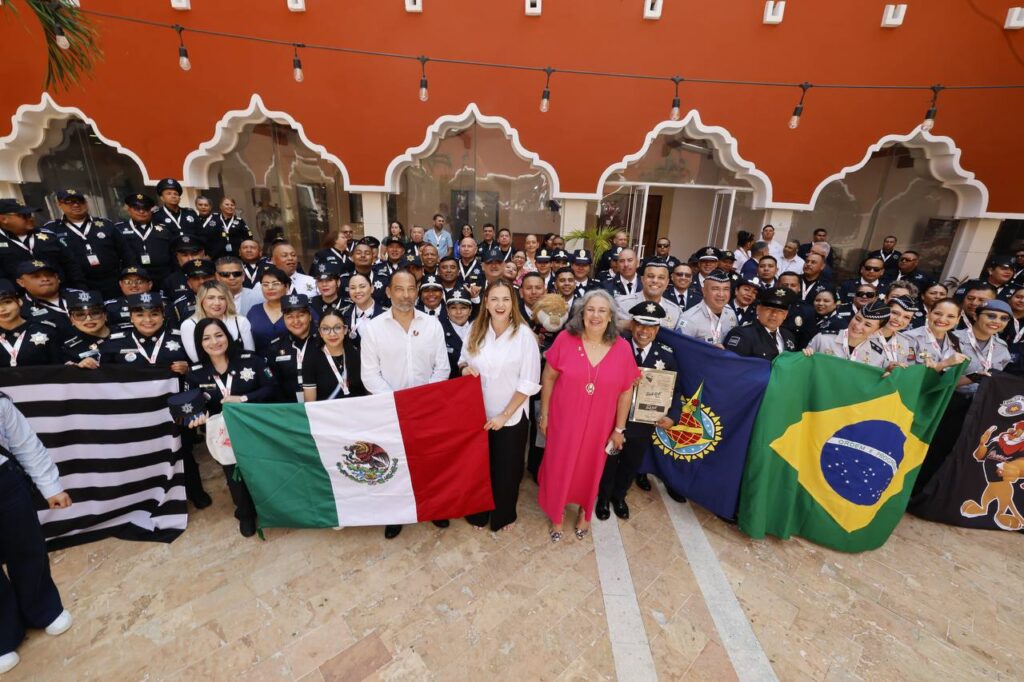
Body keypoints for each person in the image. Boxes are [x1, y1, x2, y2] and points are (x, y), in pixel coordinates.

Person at [537, 289, 640, 542]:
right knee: (560, 466)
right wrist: (545, 414)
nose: (595, 315)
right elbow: (549, 377)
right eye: (590, 310)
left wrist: (619, 429)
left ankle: (585, 512)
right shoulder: (564, 339)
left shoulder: (623, 348)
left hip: (600, 425)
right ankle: (557, 514)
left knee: (591, 468)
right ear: (582, 314)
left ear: (610, 317)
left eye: (602, 310)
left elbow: (626, 391)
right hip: (564, 421)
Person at [359, 270, 451, 538]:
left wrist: (422, 401)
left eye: (411, 288)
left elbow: (441, 368)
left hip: (426, 409)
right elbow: (369, 374)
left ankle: (434, 508)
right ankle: (395, 514)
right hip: (390, 410)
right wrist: (397, 403)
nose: (406, 295)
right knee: (393, 462)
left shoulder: (432, 325)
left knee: (429, 461)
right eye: (399, 289)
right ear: (388, 292)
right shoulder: (374, 328)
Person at [0, 394, 74, 675]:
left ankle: (42, 607)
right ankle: (3, 634)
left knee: (27, 548)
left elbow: (25, 443)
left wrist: (50, 486)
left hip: (5, 483)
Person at [459, 280, 541, 532]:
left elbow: (529, 382)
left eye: (506, 299)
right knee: (478, 468)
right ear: (485, 302)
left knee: (506, 470)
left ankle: (503, 515)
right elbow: (462, 361)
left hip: (511, 417)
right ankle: (478, 514)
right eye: (494, 299)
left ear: (513, 303)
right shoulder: (475, 329)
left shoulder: (524, 336)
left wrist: (504, 416)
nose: (500, 305)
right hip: (477, 414)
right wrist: (465, 369)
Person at [184, 318, 278, 537]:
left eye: (219, 335)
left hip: (255, 428)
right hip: (223, 433)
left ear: (228, 336)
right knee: (233, 474)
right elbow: (193, 406)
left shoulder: (251, 360)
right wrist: (197, 417)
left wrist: (243, 398)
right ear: (199, 343)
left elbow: (271, 388)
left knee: (264, 469)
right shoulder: (195, 373)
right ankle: (245, 513)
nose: (214, 342)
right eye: (206, 338)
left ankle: (273, 506)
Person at [597, 301, 679, 521]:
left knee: (631, 463)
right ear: (632, 325)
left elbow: (676, 389)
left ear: (657, 330)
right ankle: (603, 498)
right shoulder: (616, 347)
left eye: (651, 327)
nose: (645, 331)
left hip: (643, 422)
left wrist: (672, 415)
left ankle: (619, 496)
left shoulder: (667, 355)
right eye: (641, 325)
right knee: (609, 461)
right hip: (612, 418)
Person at [43, 189, 125, 299]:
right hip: (76, 285)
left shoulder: (105, 224)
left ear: (86, 203)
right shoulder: (52, 229)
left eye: (80, 201)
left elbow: (125, 252)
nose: (76, 205)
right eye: (70, 202)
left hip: (112, 282)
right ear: (59, 205)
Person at [0, 199, 85, 290]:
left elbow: (71, 265)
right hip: (22, 299)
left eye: (30, 215)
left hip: (61, 293)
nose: (31, 218)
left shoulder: (49, 236)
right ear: (4, 219)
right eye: (25, 216)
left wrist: (80, 289)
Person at [180, 281, 255, 362]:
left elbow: (250, 354)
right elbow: (196, 360)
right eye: (211, 298)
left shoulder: (241, 321)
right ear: (201, 300)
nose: (217, 303)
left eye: (222, 298)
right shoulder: (189, 325)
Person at [803, 300, 892, 368]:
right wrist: (805, 357)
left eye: (867, 325)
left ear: (877, 331)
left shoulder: (877, 355)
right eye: (857, 319)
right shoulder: (823, 339)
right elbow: (804, 368)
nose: (858, 326)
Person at [953, 299, 1012, 394]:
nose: (997, 321)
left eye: (1004, 318)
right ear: (976, 316)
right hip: (950, 400)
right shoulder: (953, 339)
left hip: (982, 402)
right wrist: (973, 378)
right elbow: (939, 380)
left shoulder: (1002, 347)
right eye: (991, 316)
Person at [116, 193, 178, 284]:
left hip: (163, 278)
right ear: (129, 210)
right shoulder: (118, 230)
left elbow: (174, 255)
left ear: (150, 211)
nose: (141, 211)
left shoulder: (164, 229)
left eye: (145, 209)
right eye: (137, 209)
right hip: (134, 280)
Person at [302, 312, 363, 401]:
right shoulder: (311, 360)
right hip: (326, 414)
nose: (332, 334)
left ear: (345, 329)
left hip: (357, 412)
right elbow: (310, 404)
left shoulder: (358, 355)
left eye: (337, 328)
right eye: (326, 329)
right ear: (320, 332)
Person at [724, 287, 798, 359]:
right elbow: (733, 366)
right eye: (769, 309)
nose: (774, 314)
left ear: (785, 315)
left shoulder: (788, 335)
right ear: (758, 309)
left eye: (779, 311)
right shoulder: (742, 334)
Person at [266, 294, 315, 402]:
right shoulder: (276, 347)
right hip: (288, 407)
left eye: (301, 315)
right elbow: (273, 382)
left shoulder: (322, 342)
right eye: (290, 317)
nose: (296, 321)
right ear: (284, 319)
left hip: (321, 405)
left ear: (310, 316)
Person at [0, 280, 61, 367]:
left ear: (19, 302)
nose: (2, 309)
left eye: (7, 302)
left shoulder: (46, 330)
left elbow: (60, 368)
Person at [676, 269, 737, 346]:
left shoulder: (730, 312)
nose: (721, 294)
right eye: (715, 289)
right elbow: (680, 349)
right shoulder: (689, 319)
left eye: (726, 289)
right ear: (704, 291)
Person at [905, 298, 967, 371]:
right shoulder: (910, 338)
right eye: (937, 313)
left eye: (950, 316)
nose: (942, 319)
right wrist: (944, 363)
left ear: (958, 319)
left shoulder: (957, 342)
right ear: (928, 313)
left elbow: (952, 379)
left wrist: (975, 377)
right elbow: (908, 374)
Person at [61, 291, 113, 367]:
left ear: (105, 315)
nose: (88, 319)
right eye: (80, 315)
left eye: (95, 313)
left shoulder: (128, 332)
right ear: (71, 320)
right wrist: (78, 368)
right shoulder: (70, 349)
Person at [247, 266, 290, 356]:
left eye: (275, 283)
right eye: (265, 284)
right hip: (261, 364)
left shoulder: (298, 308)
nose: (270, 287)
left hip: (294, 363)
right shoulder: (254, 311)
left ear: (286, 287)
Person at [878, 295, 918, 365]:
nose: (898, 319)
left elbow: (908, 368)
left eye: (906, 317)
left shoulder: (908, 342)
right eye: (895, 313)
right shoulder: (864, 336)